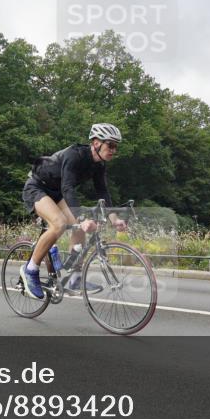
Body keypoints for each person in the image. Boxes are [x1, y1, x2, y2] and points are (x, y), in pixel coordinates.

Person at [20, 123, 128, 298]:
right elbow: (68, 188)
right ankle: (30, 269)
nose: (114, 150)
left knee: (78, 229)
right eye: (111, 145)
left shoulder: (99, 165)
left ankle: (75, 278)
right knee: (60, 223)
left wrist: (114, 219)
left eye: (116, 146)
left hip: (56, 193)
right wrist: (82, 218)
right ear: (96, 143)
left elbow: (103, 192)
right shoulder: (75, 155)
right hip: (38, 187)